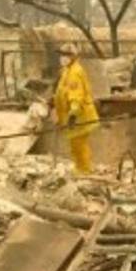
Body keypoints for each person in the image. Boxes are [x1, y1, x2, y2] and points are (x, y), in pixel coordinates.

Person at [53, 42, 99, 176]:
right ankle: (79, 168)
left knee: (79, 144)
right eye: (61, 55)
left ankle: (84, 170)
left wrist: (73, 114)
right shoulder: (67, 70)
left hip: (80, 115)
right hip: (73, 115)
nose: (62, 58)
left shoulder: (75, 72)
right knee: (75, 144)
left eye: (66, 55)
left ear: (73, 57)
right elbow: (63, 90)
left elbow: (76, 95)